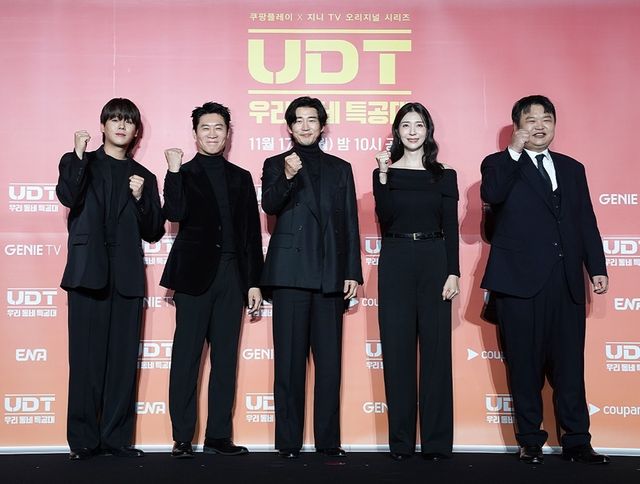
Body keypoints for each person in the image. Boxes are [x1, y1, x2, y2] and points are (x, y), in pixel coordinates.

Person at [480, 95, 609, 465]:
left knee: (570, 367)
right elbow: (492, 194)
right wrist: (514, 152)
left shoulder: (572, 168)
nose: (539, 126)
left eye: (546, 119)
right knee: (524, 366)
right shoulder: (498, 164)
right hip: (518, 284)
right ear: (517, 126)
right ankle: (530, 441)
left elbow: (585, 220)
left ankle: (577, 442)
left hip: (565, 281)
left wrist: (596, 267)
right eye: (531, 119)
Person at [56, 98, 165, 460]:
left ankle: (117, 439)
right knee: (85, 361)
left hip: (127, 277)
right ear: (102, 126)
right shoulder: (79, 162)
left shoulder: (144, 176)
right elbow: (68, 195)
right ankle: (83, 441)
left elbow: (153, 231)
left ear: (136, 131)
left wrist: (141, 198)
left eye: (128, 121)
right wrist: (78, 154)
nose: (121, 126)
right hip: (88, 273)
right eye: (114, 120)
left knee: (122, 362)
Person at [260, 96, 363, 459]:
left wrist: (352, 271)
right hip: (289, 275)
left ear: (322, 126)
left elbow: (349, 221)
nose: (305, 126)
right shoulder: (276, 164)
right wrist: (287, 177)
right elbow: (269, 205)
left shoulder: (340, 168)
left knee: (329, 366)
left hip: (329, 275)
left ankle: (328, 441)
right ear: (289, 127)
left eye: (312, 120)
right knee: (289, 365)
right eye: (298, 121)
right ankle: (288, 442)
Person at [161, 102, 263, 459]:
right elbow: (174, 213)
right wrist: (173, 172)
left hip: (232, 276)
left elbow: (251, 233)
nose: (212, 134)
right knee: (186, 359)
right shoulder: (183, 172)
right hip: (193, 277)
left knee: (225, 360)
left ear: (228, 134)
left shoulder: (241, 177)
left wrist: (253, 282)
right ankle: (182, 437)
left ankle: (219, 436)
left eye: (219, 127)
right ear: (195, 134)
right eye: (205, 128)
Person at [373, 102, 459, 461]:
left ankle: (437, 444)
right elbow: (385, 217)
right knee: (397, 353)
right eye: (406, 125)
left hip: (434, 259)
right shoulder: (385, 172)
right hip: (395, 259)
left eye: (419, 125)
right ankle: (401, 443)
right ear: (397, 132)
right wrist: (382, 177)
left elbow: (450, 226)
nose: (412, 131)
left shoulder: (445, 175)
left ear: (428, 131)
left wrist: (453, 271)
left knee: (436, 354)